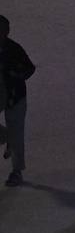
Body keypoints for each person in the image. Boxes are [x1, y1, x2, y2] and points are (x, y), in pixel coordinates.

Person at [0, 14, 36, 187]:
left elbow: (30, 68)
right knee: (13, 133)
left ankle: (17, 170)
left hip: (15, 95)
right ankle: (7, 137)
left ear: (7, 31)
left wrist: (17, 75)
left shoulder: (14, 49)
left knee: (17, 131)